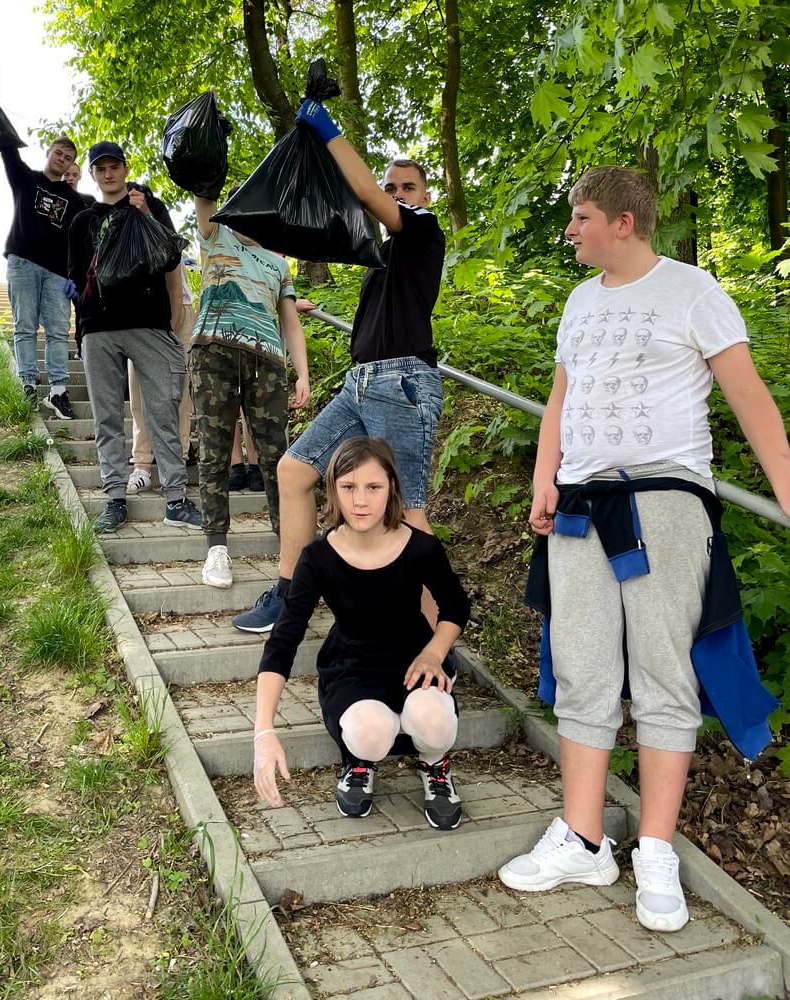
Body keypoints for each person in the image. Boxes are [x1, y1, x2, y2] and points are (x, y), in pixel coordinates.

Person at [498, 166, 790, 933]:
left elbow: (748, 397)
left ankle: (654, 847)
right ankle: (583, 838)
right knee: (583, 665)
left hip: (662, 498)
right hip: (577, 504)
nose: (570, 229)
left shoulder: (691, 291)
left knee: (662, 674)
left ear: (624, 222)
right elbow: (561, 397)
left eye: (582, 216)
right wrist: (543, 477)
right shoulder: (578, 301)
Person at [233, 99, 446, 632]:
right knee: (293, 470)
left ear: (425, 197)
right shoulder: (382, 258)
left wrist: (326, 128)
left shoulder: (423, 230)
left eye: (408, 187)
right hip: (361, 383)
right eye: (393, 187)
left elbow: (366, 193)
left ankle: (435, 642)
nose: (397, 193)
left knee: (410, 509)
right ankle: (290, 595)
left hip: (402, 383)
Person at [252, 437, 470, 830]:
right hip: (351, 668)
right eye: (348, 487)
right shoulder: (318, 558)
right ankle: (359, 760)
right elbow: (284, 640)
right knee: (369, 732)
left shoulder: (420, 548)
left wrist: (435, 653)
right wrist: (263, 732)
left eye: (373, 487)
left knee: (433, 722)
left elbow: (456, 606)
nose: (360, 501)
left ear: (391, 489)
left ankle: (434, 764)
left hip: (415, 664)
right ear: (333, 489)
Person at [67, 141, 201, 533]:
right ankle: (114, 499)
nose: (108, 174)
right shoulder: (83, 221)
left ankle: (175, 499)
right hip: (99, 329)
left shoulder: (150, 205)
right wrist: (81, 330)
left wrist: (174, 317)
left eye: (114, 166)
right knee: (108, 417)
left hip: (149, 324)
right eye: (100, 168)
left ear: (125, 169)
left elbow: (172, 257)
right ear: (92, 174)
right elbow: (77, 277)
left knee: (163, 411)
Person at [191, 186, 310, 589]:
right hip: (213, 354)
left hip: (268, 363)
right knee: (214, 450)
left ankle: (289, 543)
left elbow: (290, 322)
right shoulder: (215, 235)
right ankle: (216, 548)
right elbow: (203, 195)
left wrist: (303, 373)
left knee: (278, 457)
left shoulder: (279, 264)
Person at [0, 67, 83, 420]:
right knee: (24, 326)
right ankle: (26, 383)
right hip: (21, 262)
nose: (62, 160)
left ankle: (59, 391)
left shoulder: (77, 200)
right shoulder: (26, 179)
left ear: (71, 165)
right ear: (49, 153)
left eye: (68, 158)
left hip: (55, 274)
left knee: (56, 330)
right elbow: (6, 144)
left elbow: (93, 225)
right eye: (58, 154)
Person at [125, 259, 196, 496]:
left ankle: (178, 464)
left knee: (179, 395)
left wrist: (170, 334)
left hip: (177, 314)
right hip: (139, 317)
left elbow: (176, 294)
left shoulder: (163, 234)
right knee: (139, 393)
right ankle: (142, 465)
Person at [62, 164, 95, 360]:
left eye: (74, 175)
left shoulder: (88, 201)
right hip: (58, 265)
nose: (70, 178)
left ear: (80, 177)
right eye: (67, 174)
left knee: (82, 306)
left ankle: (81, 346)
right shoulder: (55, 201)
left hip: (83, 266)